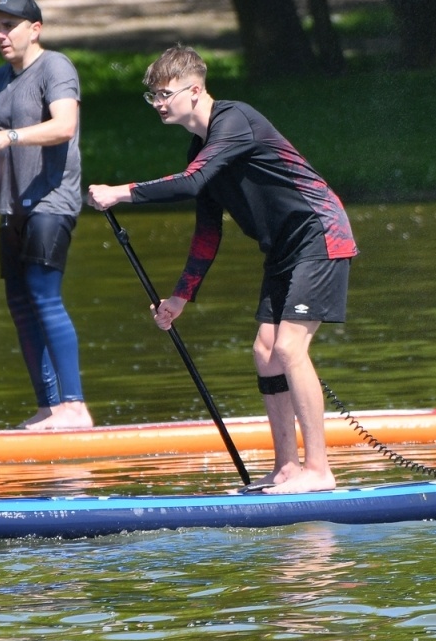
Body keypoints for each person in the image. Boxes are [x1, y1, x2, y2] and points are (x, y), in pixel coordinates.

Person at [87, 45, 357, 492]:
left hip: (320, 234)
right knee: (264, 353)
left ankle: (319, 471)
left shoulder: (235, 121)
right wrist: (179, 297)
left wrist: (123, 192)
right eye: (151, 96)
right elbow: (208, 233)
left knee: (289, 349)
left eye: (164, 94)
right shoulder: (203, 148)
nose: (157, 104)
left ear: (194, 91)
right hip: (283, 249)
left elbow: (191, 183)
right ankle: (287, 468)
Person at [0, 0, 92, 431]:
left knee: (44, 294)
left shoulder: (56, 67)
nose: (1, 34)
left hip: (52, 199)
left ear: (35, 29)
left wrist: (10, 138)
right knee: (19, 302)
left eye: (10, 25)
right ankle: (49, 408)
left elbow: (64, 126)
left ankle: (75, 407)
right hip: (11, 204)